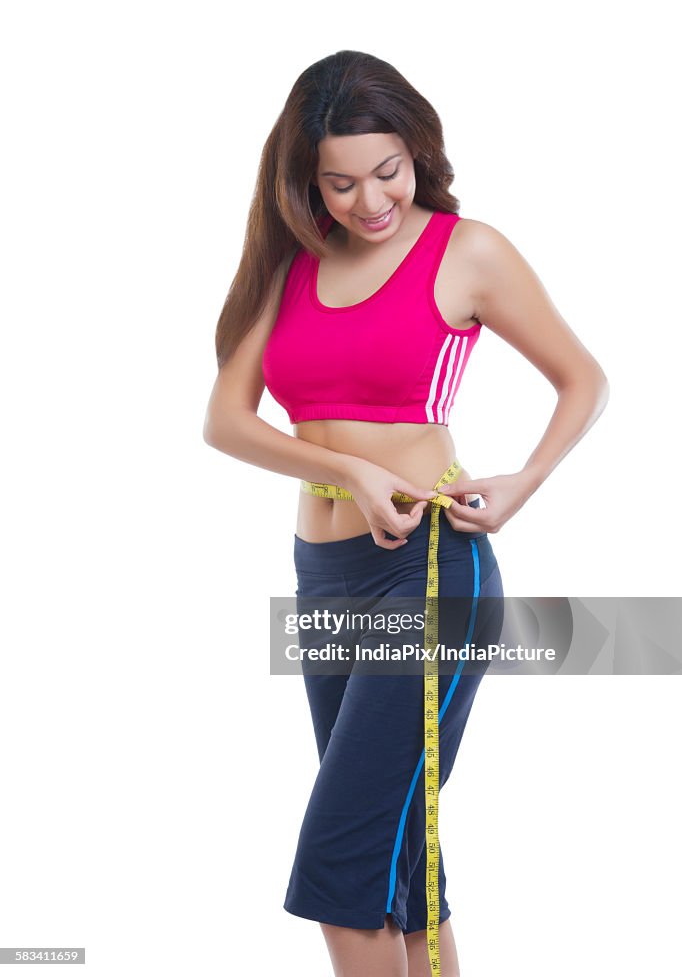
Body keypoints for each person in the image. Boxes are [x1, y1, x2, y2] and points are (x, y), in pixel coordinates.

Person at [203, 49, 609, 977]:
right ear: (305, 181)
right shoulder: (292, 263)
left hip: (429, 567)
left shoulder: (468, 252)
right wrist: (342, 463)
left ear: (418, 150)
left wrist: (526, 479)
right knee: (399, 869)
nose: (369, 201)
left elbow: (583, 377)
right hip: (326, 579)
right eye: (338, 183)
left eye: (387, 171)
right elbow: (225, 422)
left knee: (343, 868)